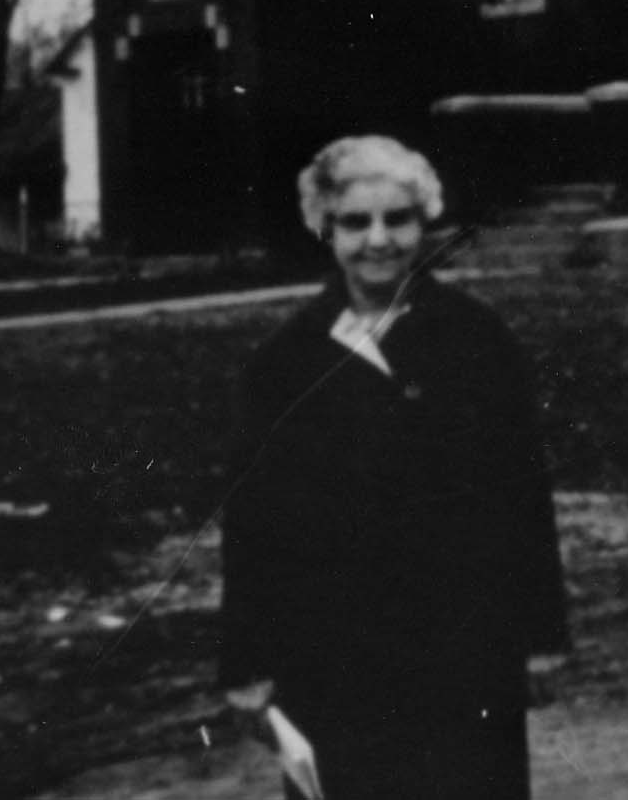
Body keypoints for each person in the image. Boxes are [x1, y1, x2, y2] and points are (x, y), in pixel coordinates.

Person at [220, 135, 569, 800]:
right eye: (356, 222)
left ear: (423, 223)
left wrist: (542, 635)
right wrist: (246, 664)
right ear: (326, 228)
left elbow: (522, 495)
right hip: (332, 660)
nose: (378, 240)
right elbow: (253, 524)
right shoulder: (284, 364)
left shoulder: (478, 339)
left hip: (467, 649)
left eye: (397, 219)